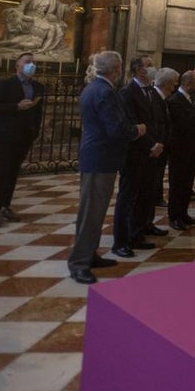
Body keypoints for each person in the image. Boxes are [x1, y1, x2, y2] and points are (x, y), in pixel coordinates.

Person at [67, 51, 145, 284]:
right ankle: (79, 263)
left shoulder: (94, 88)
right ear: (116, 69)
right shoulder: (104, 91)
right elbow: (116, 128)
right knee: (91, 213)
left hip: (99, 156)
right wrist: (137, 130)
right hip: (99, 157)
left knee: (95, 210)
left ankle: (90, 254)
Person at [113, 56, 168, 258]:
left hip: (153, 153)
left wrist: (159, 143)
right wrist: (151, 144)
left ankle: (138, 232)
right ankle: (121, 241)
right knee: (128, 197)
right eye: (149, 65)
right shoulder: (127, 93)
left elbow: (159, 121)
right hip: (135, 153)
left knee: (146, 195)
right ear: (138, 71)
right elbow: (132, 122)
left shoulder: (151, 91)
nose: (153, 68)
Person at [0, 52, 45, 227]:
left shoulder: (38, 87)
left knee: (12, 173)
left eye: (33, 62)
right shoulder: (5, 84)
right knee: (1, 172)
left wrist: (35, 131)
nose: (31, 65)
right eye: (27, 62)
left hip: (24, 135)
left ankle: (6, 206)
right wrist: (15, 107)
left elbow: (37, 112)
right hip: (4, 134)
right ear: (17, 65)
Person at [166, 70, 195, 230]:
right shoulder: (175, 100)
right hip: (179, 149)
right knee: (177, 184)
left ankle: (183, 213)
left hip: (192, 148)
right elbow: (184, 123)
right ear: (188, 84)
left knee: (187, 184)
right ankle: (174, 216)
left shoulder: (191, 98)